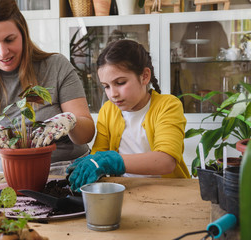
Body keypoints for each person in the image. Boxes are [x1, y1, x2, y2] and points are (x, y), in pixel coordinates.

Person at [0, 0, 95, 173]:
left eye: (9, 39)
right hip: (9, 177)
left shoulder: (56, 66)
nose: (3, 52)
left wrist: (70, 121)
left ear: (22, 32)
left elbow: (87, 134)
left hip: (68, 171)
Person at [67, 39, 190, 191]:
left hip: (169, 191)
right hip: (125, 189)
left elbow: (166, 161)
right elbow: (100, 155)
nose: (113, 94)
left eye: (120, 83)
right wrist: (92, 164)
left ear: (145, 76)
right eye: (106, 86)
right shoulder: (108, 110)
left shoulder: (168, 105)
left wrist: (112, 162)